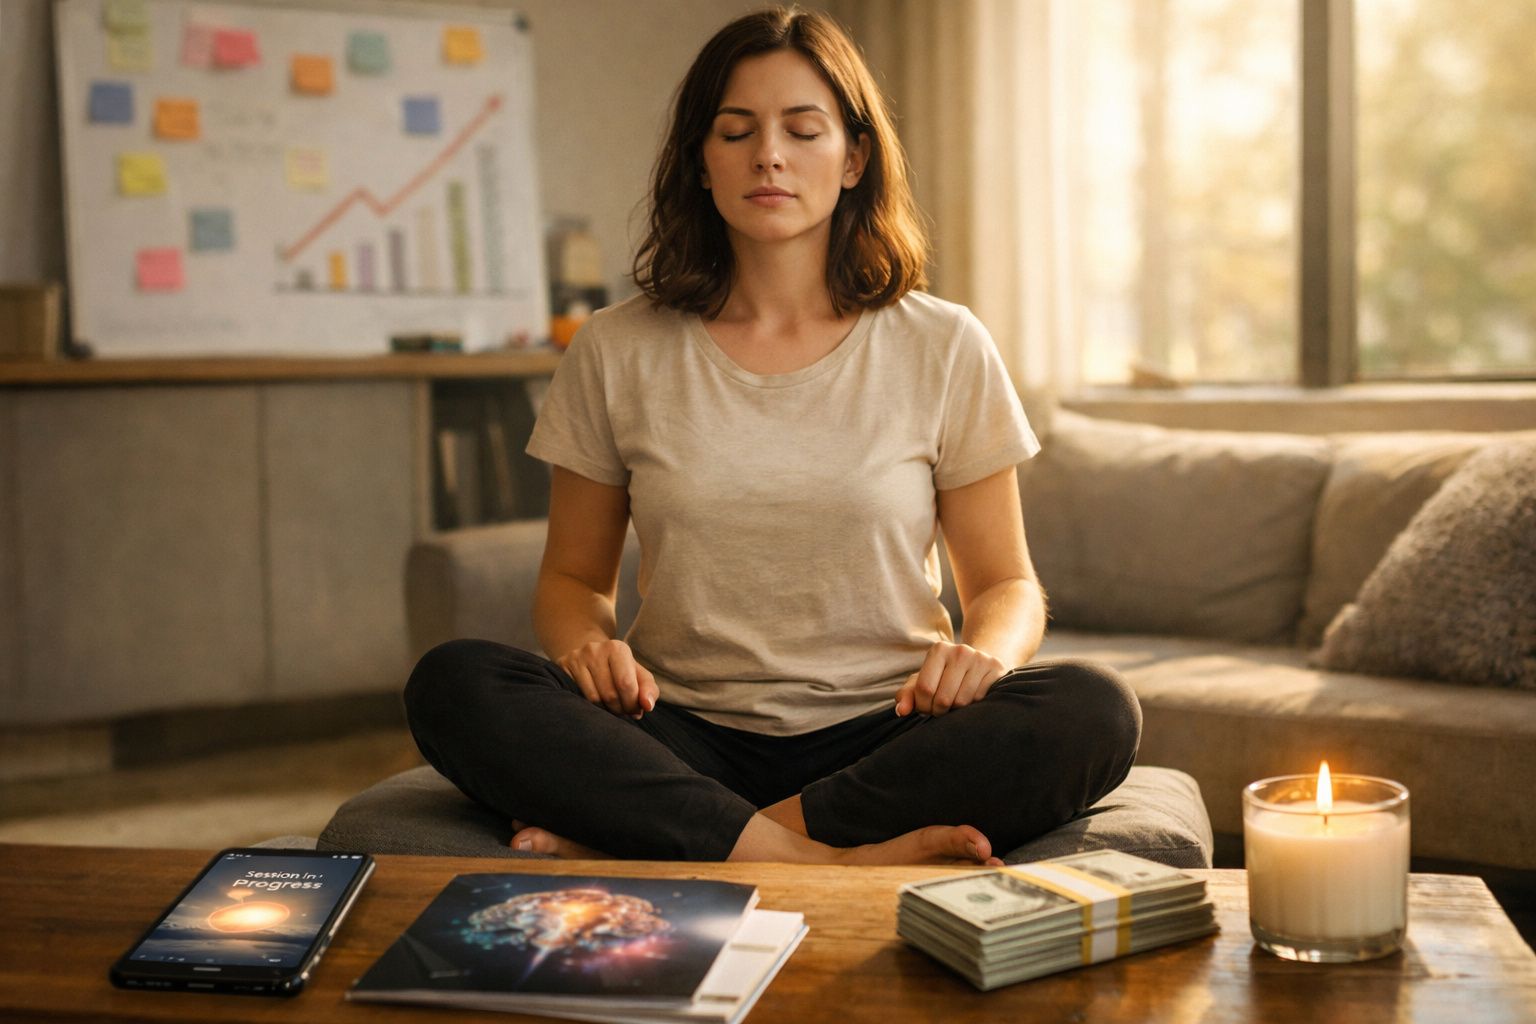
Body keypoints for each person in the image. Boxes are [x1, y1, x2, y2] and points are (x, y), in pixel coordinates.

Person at [405, 5, 1140, 866]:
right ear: (701, 160)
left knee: (1094, 709)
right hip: (673, 732)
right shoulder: (615, 347)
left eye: (803, 129)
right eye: (736, 130)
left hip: (890, 730)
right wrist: (586, 648)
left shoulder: (943, 344)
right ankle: (818, 859)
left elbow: (1008, 583)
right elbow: (572, 578)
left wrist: (983, 655)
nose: (769, 156)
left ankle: (691, 839)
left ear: (855, 157)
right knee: (454, 684)